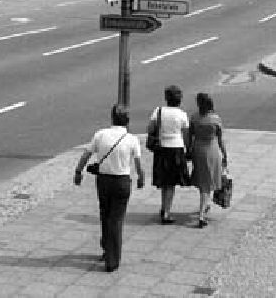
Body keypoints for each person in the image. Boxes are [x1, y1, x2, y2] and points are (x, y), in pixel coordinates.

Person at [73, 104, 144, 273]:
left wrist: (78, 171)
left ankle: (106, 248)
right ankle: (112, 260)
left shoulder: (101, 135)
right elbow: (138, 163)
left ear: (112, 118)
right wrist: (141, 177)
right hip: (122, 182)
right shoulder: (131, 139)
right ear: (127, 121)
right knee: (117, 219)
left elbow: (86, 154)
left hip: (104, 181)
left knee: (105, 214)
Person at [149, 85, 190, 224]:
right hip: (176, 149)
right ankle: (166, 212)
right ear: (180, 100)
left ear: (166, 98)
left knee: (164, 181)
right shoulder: (182, 115)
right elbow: (186, 135)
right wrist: (188, 150)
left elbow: (150, 128)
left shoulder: (158, 111)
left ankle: (163, 207)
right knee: (171, 183)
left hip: (161, 149)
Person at [187, 93, 227, 228]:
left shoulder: (194, 117)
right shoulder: (215, 119)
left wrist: (188, 150)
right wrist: (225, 154)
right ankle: (202, 215)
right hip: (212, 150)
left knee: (203, 180)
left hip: (198, 150)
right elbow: (220, 139)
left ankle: (205, 203)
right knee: (207, 182)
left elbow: (189, 136)